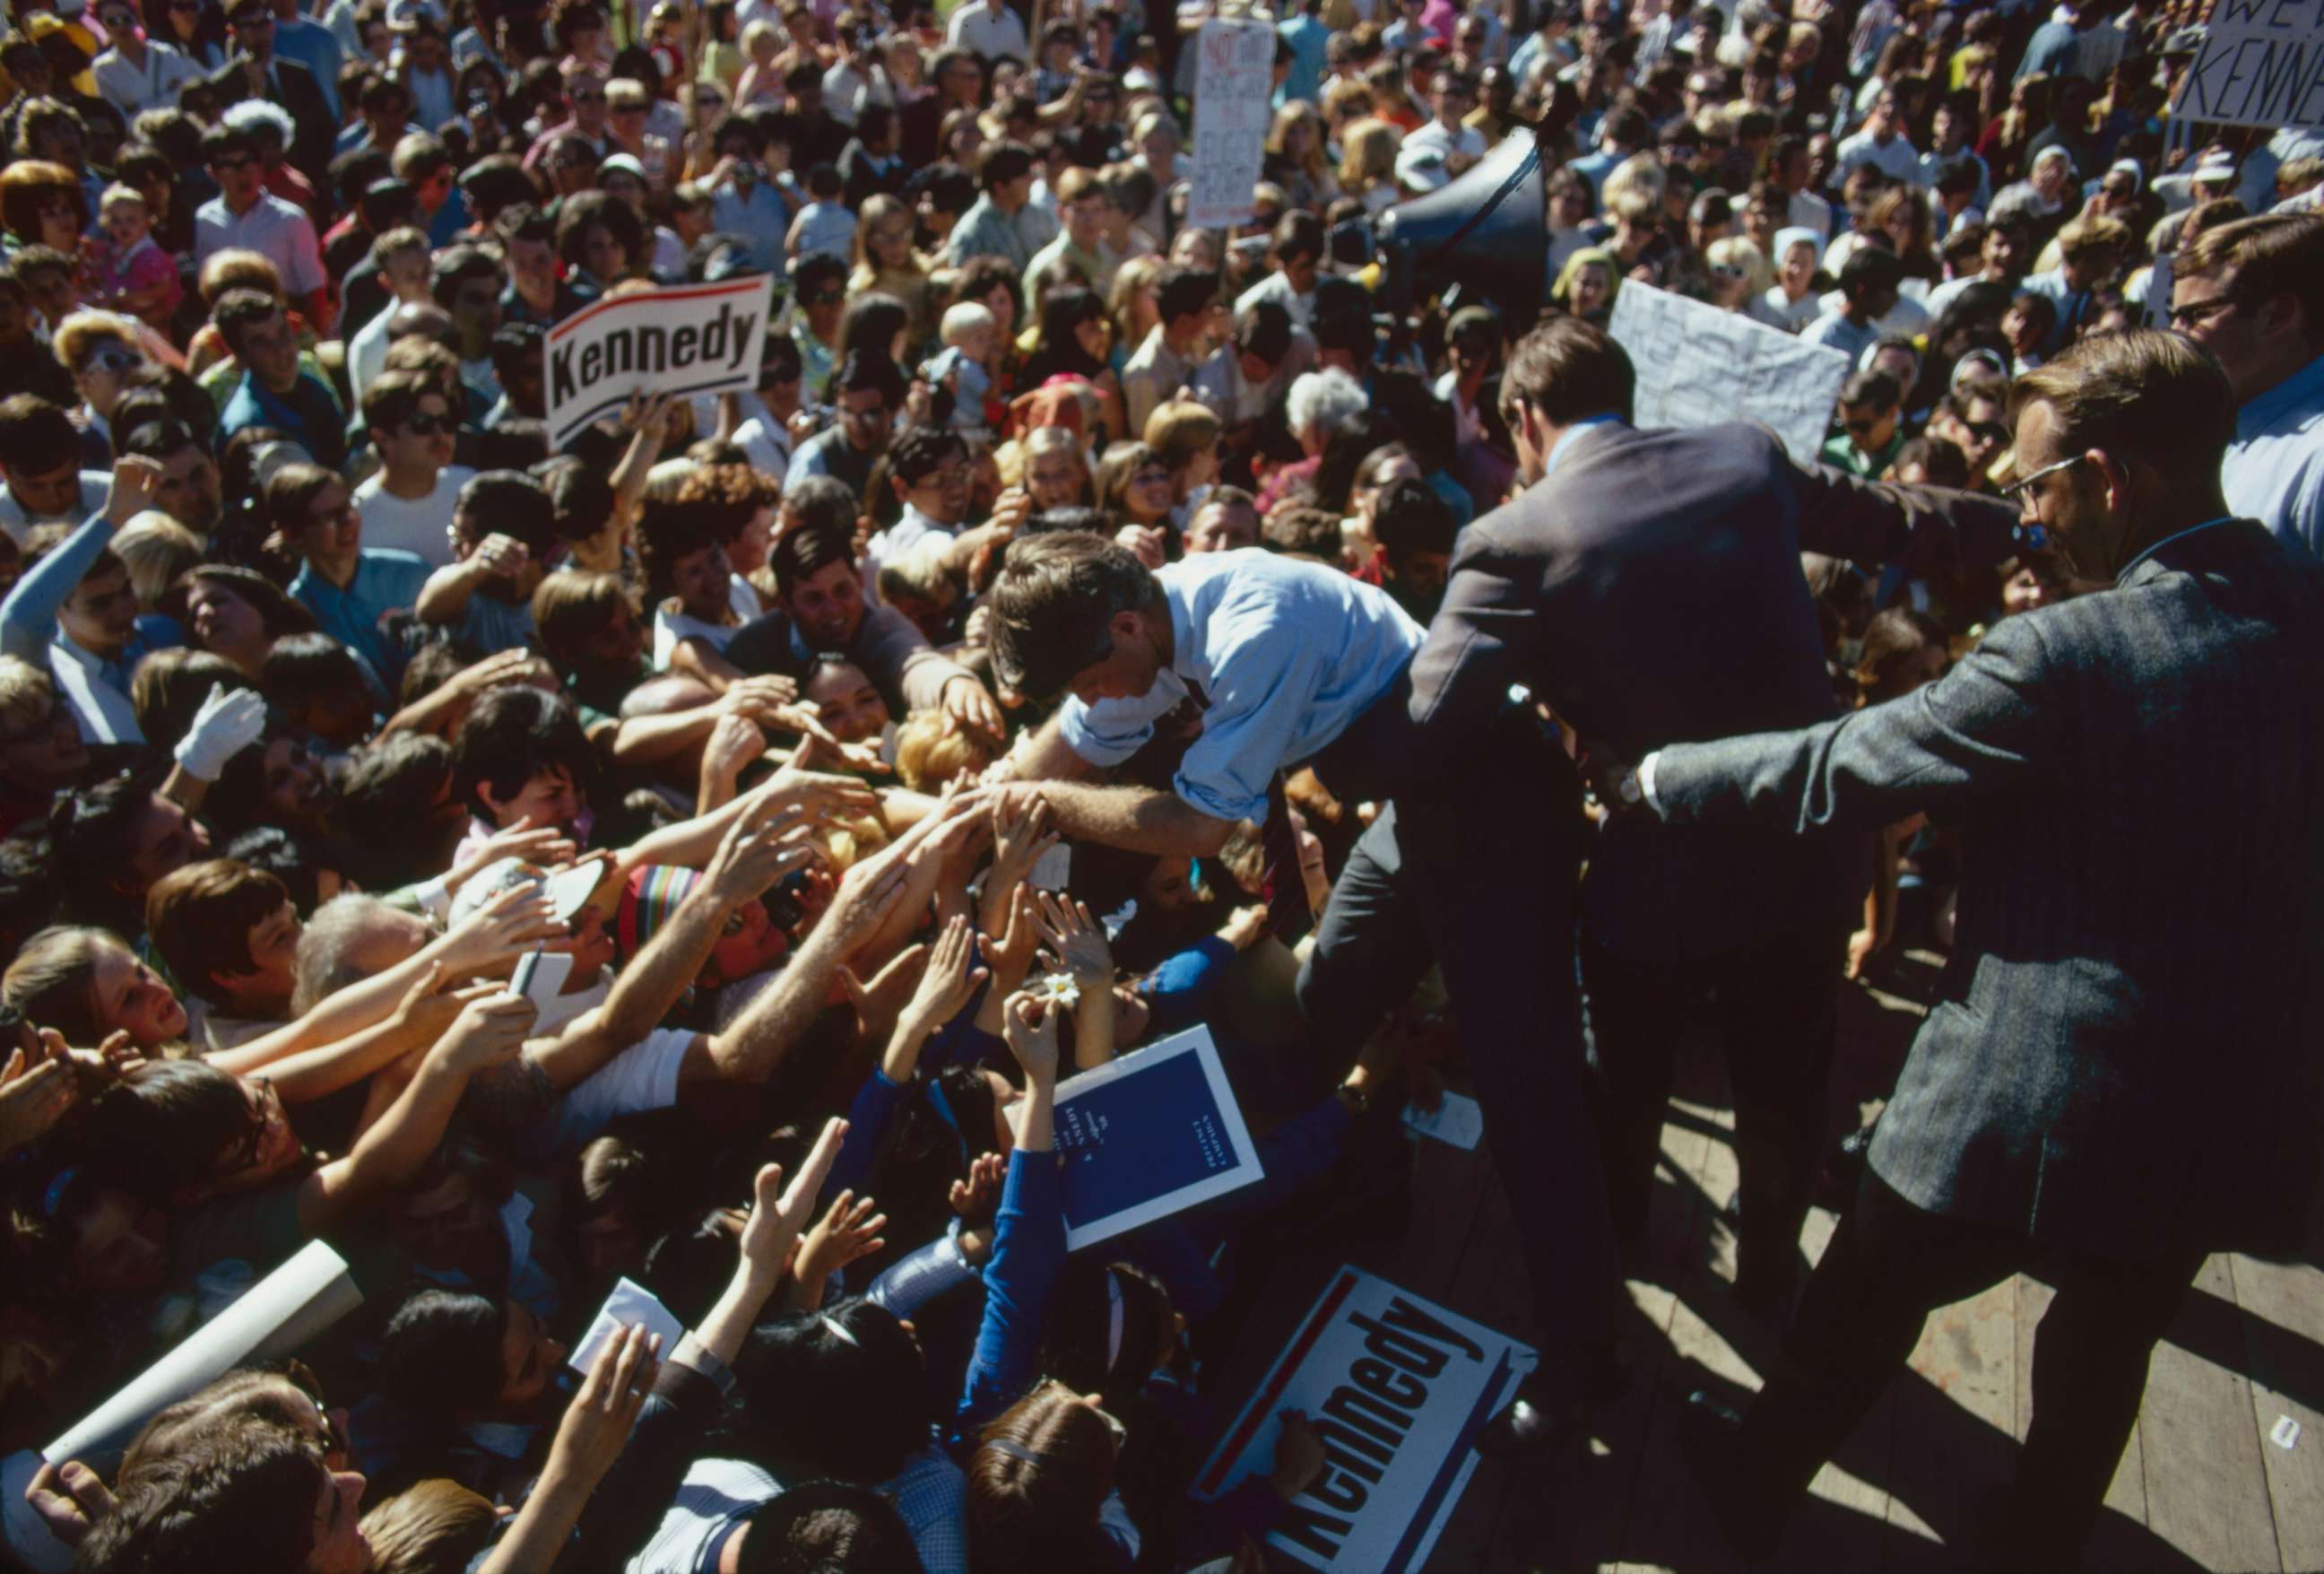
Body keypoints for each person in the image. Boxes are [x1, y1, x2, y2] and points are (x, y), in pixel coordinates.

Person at [1602, 329, 2324, 1569]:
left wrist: (1666, 774)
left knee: (1860, 1298)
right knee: (2107, 1350)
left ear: (2109, 478)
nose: (2026, 515)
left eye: (2034, 485)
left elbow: (1845, 764)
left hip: (2028, 1086)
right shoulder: (2302, 609)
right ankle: (2038, 1538)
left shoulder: (2067, 650)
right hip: (2230, 1089)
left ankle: (1753, 1481)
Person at [2169, 212, 2324, 561]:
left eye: (2194, 316)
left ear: (2277, 316)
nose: (2174, 336)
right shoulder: (2217, 422)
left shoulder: (2317, 463)